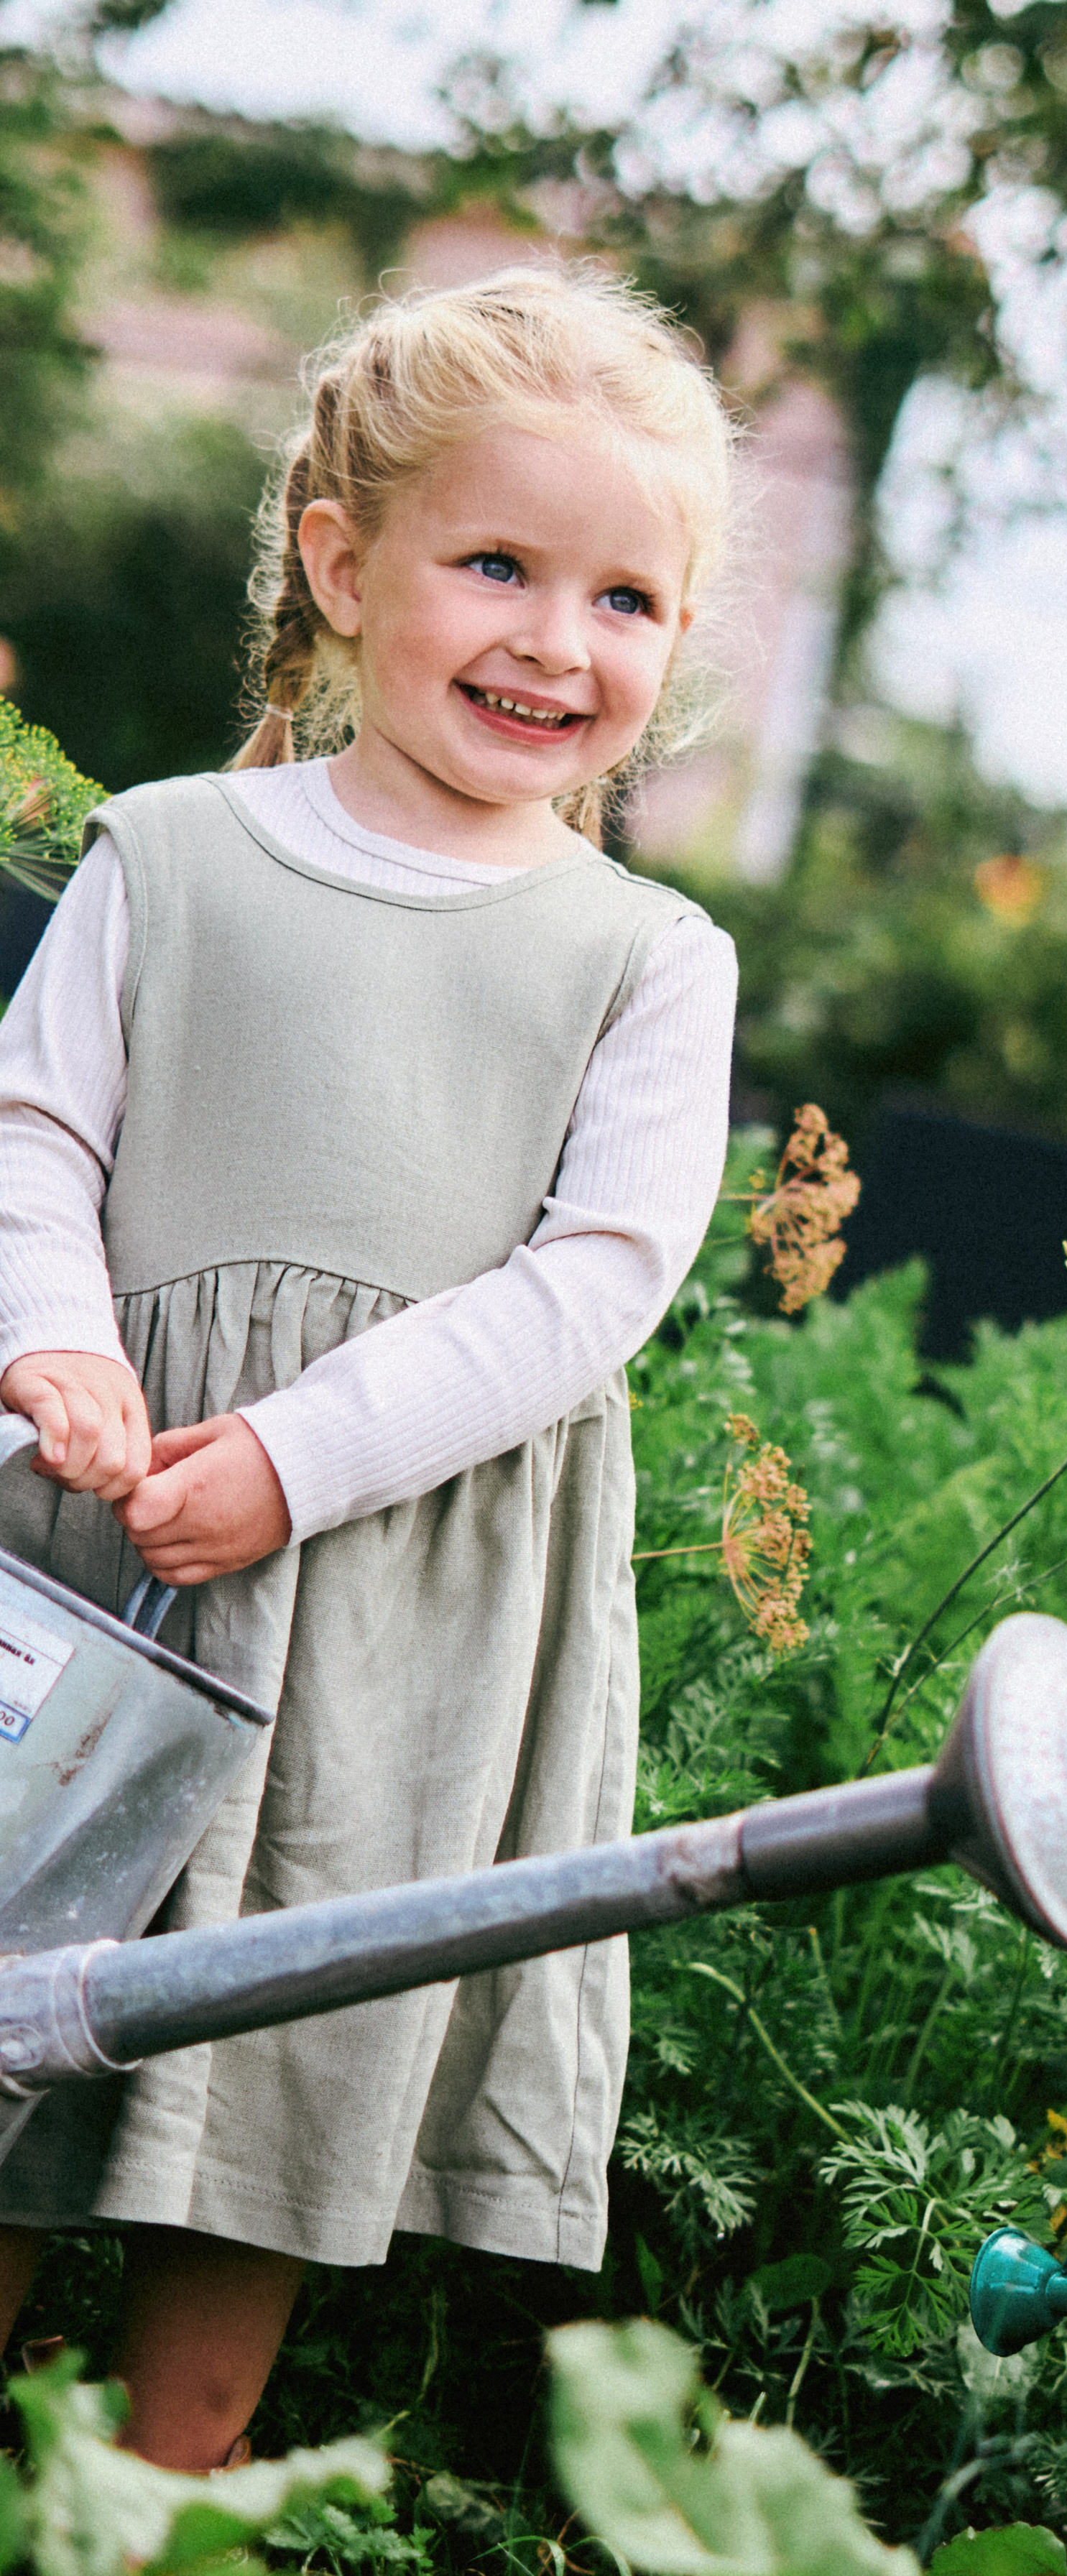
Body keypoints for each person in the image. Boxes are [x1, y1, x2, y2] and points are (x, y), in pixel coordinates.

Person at [0, 264, 739, 2470]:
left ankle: (159, 2500)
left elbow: (594, 1280)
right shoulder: (174, 852)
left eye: (623, 596)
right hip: (95, 1542)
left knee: (282, 2066)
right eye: (495, 565)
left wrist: (305, 1456)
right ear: (344, 564)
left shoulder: (644, 958)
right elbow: (35, 1127)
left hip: (393, 1596)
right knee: (19, 2003)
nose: (554, 639)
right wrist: (48, 1335)